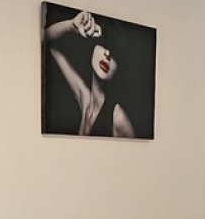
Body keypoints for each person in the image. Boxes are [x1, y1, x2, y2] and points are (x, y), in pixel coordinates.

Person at [44, 9, 136, 137]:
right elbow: (45, 40)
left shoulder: (118, 117)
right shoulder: (85, 98)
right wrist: (70, 25)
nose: (107, 54)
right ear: (93, 47)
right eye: (104, 44)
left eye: (115, 53)